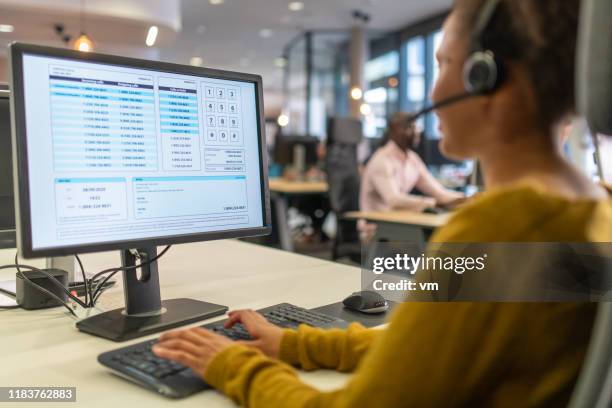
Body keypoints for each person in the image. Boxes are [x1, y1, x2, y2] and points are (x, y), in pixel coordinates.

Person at [152, 0, 612, 406]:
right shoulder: (589, 209)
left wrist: (231, 365)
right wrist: (295, 345)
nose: (432, 94)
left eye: (444, 63)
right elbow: (429, 349)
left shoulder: (499, 229)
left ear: (484, 76)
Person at [360, 112, 465, 213]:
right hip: (376, 227)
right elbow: (394, 200)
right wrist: (432, 203)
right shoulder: (381, 160)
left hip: (400, 222)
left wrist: (466, 199)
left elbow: (439, 193)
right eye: (409, 127)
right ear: (393, 131)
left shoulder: (413, 159)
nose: (415, 132)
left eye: (416, 127)